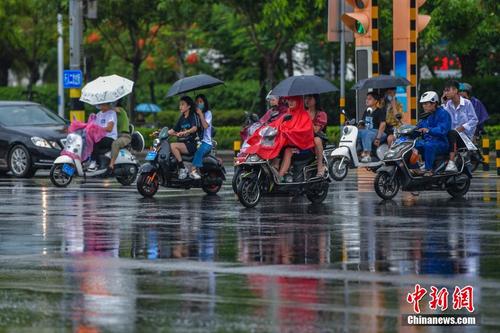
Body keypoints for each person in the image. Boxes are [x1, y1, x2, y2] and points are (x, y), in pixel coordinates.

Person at [245, 95, 314, 179]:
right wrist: (262, 129)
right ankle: (272, 168)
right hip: (287, 143)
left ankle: (279, 177)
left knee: (288, 151)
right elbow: (276, 124)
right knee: (268, 145)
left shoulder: (304, 116)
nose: (290, 102)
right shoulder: (287, 114)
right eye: (289, 100)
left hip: (301, 147)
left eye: (293, 100)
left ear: (299, 102)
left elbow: (303, 132)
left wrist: (287, 133)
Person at [442, 80, 478, 172]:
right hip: (451, 136)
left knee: (452, 133)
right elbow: (443, 119)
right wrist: (443, 103)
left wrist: (463, 127)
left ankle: (451, 162)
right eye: (444, 91)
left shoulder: (467, 103)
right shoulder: (447, 105)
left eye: (447, 90)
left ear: (455, 90)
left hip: (464, 137)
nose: (445, 93)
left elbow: (474, 120)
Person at [414, 91, 451, 176]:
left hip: (441, 143)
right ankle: (415, 168)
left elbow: (443, 130)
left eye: (426, 103)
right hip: (426, 142)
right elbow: (417, 128)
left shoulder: (443, 114)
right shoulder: (425, 116)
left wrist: (428, 130)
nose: (424, 106)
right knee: (410, 145)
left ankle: (428, 170)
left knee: (429, 145)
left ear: (434, 103)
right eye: (423, 104)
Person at [168, 96, 200, 179]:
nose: (180, 107)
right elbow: (174, 130)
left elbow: (194, 128)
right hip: (184, 144)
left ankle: (182, 168)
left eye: (182, 104)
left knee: (173, 145)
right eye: (180, 105)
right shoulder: (182, 118)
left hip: (194, 144)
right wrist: (161, 133)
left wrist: (186, 132)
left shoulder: (193, 116)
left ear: (189, 106)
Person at [358, 92, 386, 162]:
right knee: (356, 133)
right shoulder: (366, 111)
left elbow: (383, 124)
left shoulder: (379, 111)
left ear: (375, 101)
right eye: (366, 99)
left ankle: (367, 155)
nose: (367, 100)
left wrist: (378, 138)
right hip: (367, 132)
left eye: (369, 99)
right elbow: (362, 125)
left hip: (377, 132)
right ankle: (356, 153)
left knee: (366, 133)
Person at [190, 94, 213, 180]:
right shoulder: (194, 114)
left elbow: (205, 126)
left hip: (206, 142)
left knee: (199, 151)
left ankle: (193, 171)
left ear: (204, 103)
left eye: (201, 102)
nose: (199, 103)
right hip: (196, 140)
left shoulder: (208, 113)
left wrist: (201, 114)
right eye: (197, 102)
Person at [89, 102, 118, 171]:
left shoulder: (112, 113)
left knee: (95, 141)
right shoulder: (98, 114)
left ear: (108, 105)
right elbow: (93, 127)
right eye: (100, 104)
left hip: (110, 137)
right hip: (100, 137)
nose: (101, 106)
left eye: (103, 104)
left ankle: (93, 162)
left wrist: (98, 129)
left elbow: (109, 128)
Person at [305, 94, 328, 177]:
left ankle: (320, 167)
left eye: (310, 98)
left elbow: (316, 130)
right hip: (304, 137)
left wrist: (306, 119)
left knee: (317, 140)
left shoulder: (321, 114)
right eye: (306, 98)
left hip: (317, 137)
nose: (307, 100)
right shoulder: (303, 113)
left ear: (316, 100)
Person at [109, 103, 131, 171]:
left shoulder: (121, 111)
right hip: (116, 136)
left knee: (116, 143)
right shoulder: (112, 117)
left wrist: (106, 107)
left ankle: (111, 164)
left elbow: (117, 109)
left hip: (125, 136)